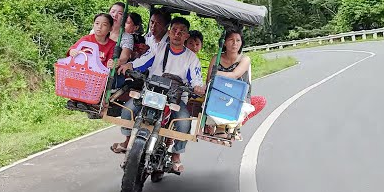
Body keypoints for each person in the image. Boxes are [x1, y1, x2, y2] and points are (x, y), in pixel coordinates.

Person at [111, 17, 206, 173]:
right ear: (169, 32)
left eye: (181, 31)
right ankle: (128, 140)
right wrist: (129, 65)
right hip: (151, 91)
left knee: (184, 123)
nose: (177, 34)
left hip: (175, 97)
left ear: (186, 36)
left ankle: (176, 155)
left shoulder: (192, 58)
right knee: (128, 110)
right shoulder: (158, 48)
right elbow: (143, 62)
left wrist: (197, 87)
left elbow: (196, 79)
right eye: (174, 30)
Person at [205, 28, 266, 138]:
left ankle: (236, 124)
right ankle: (219, 126)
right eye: (231, 40)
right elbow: (209, 79)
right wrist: (216, 77)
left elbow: (234, 75)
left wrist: (217, 74)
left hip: (239, 96)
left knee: (261, 101)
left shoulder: (245, 59)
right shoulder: (216, 58)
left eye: (238, 40)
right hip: (219, 94)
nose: (234, 43)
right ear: (224, 43)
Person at [66, 13, 116, 111]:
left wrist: (111, 64)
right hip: (82, 72)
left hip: (96, 76)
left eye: (104, 25)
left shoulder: (111, 45)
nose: (99, 27)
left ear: (110, 28)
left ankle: (87, 102)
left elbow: (109, 61)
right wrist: (72, 51)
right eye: (97, 23)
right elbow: (72, 49)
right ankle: (75, 99)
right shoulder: (86, 39)